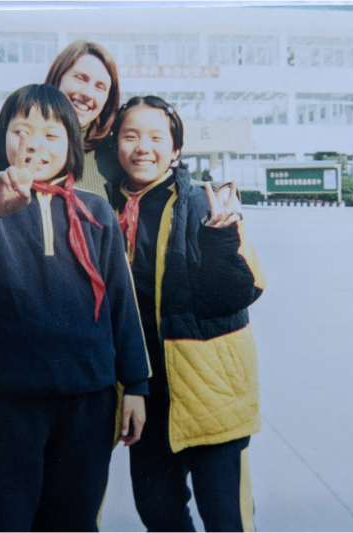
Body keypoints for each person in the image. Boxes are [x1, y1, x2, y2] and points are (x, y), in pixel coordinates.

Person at [0, 84, 151, 531]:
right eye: (22, 131)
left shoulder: (96, 210)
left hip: (89, 400)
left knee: (75, 520)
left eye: (52, 135)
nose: (36, 143)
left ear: (71, 145)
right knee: (6, 521)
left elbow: (121, 302)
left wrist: (135, 384)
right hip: (7, 404)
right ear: (3, 140)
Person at [108, 95, 265, 532]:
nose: (143, 147)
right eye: (131, 135)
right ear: (116, 146)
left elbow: (246, 288)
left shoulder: (201, 204)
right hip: (146, 395)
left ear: (175, 150)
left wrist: (220, 242)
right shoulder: (107, 208)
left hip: (210, 391)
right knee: (159, 514)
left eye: (157, 137)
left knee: (226, 517)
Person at [44, 40, 123, 197]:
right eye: (80, 78)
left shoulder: (114, 156)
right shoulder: (20, 139)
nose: (88, 94)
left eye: (100, 87)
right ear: (58, 77)